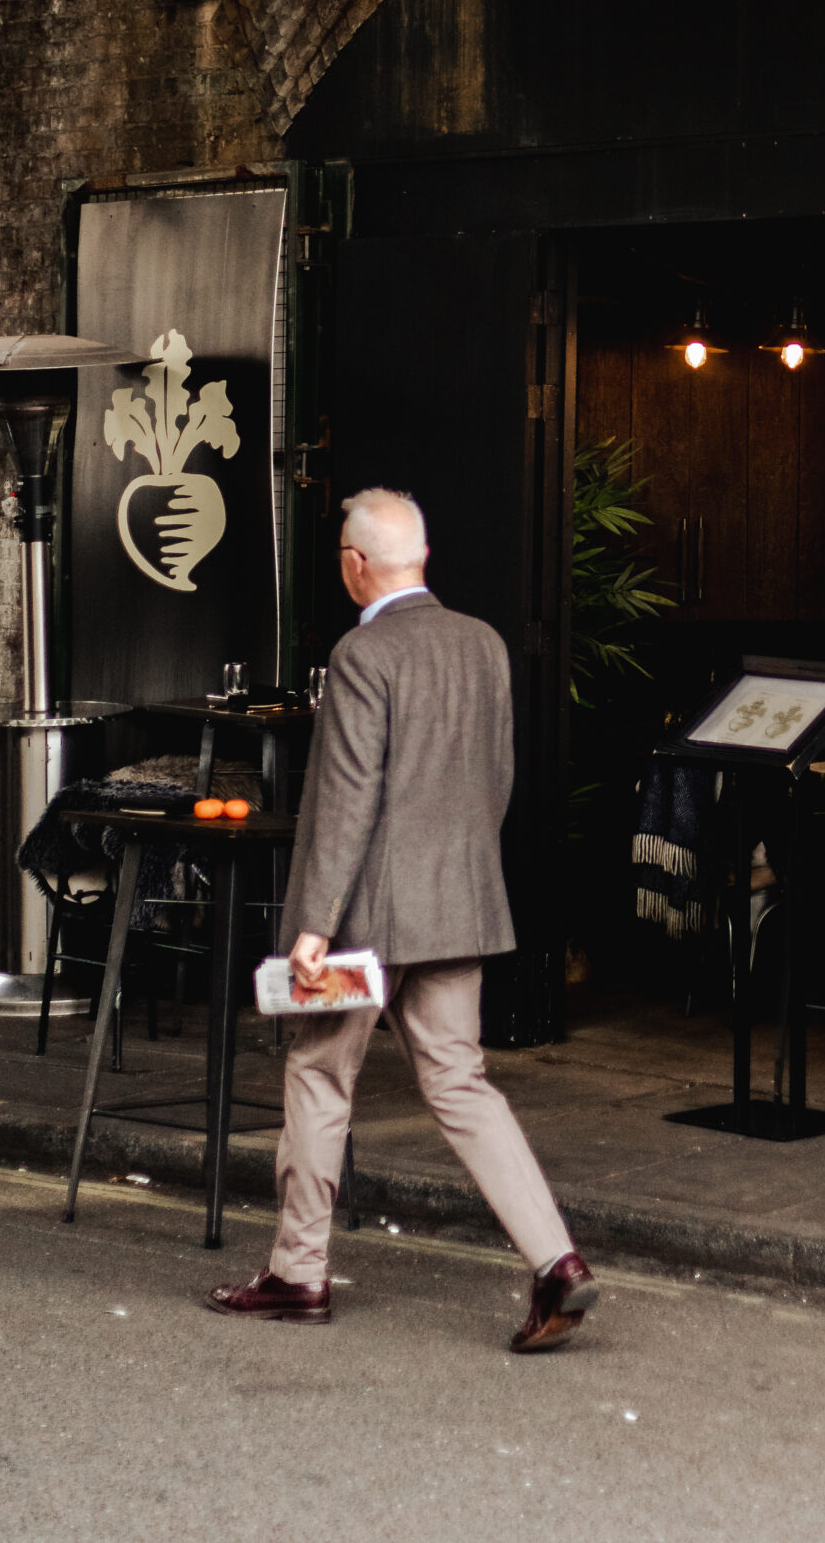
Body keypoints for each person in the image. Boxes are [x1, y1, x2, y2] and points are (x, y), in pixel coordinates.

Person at [207, 487, 597, 1352]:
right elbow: (495, 780)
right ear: (420, 557)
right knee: (462, 1085)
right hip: (460, 902)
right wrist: (455, 873)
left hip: (367, 918)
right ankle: (557, 1262)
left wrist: (313, 924)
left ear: (355, 564)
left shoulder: (362, 652)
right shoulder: (483, 644)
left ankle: (299, 1272)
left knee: (318, 1074)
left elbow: (348, 796)